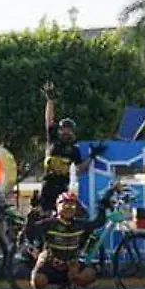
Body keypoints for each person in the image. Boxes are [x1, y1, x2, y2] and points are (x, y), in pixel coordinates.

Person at [31, 192, 95, 289]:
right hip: (51, 265)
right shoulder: (49, 223)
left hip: (71, 266)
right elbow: (30, 231)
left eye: (72, 205)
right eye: (65, 205)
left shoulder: (80, 224)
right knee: (38, 279)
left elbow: (98, 222)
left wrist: (105, 201)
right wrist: (33, 211)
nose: (69, 208)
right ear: (57, 206)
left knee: (89, 274)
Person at [39, 82, 95, 212]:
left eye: (69, 129)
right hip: (48, 184)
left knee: (62, 213)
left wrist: (92, 156)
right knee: (43, 213)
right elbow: (49, 120)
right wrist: (50, 101)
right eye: (63, 129)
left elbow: (80, 168)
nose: (66, 132)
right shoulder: (53, 140)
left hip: (62, 186)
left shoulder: (74, 149)